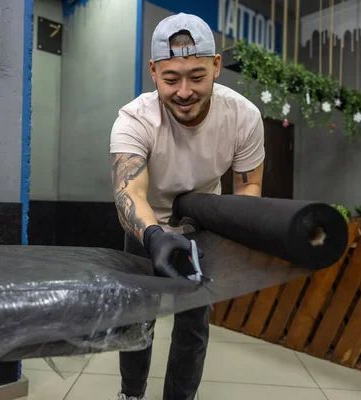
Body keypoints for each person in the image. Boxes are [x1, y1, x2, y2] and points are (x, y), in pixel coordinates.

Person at [109, 12, 265, 400]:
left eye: (196, 77)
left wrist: (237, 231)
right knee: (137, 322)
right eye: (170, 78)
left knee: (193, 326)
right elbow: (129, 192)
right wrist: (154, 236)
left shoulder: (243, 118)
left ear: (216, 66)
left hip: (200, 227)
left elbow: (251, 183)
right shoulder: (134, 119)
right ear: (152, 71)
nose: (184, 91)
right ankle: (131, 395)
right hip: (147, 227)